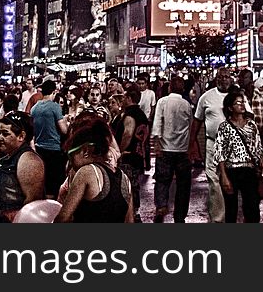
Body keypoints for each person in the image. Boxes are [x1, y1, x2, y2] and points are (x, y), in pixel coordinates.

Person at [56, 115, 132, 223]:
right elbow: (130, 221)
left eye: (71, 156)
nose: (71, 164)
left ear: (86, 150)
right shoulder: (125, 179)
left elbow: (63, 219)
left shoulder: (86, 172)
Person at [0, 111, 45, 222]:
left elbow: (32, 204)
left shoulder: (29, 160)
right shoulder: (10, 156)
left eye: (5, 133)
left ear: (21, 136)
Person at [190, 66, 233, 223]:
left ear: (231, 78)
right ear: (216, 79)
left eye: (226, 77)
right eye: (220, 77)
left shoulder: (237, 97)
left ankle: (230, 214)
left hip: (233, 146)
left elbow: (248, 119)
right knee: (214, 180)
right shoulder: (206, 97)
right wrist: (192, 144)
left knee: (231, 180)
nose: (223, 80)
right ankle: (217, 218)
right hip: (212, 143)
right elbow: (197, 121)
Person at [214, 89, 263, 223]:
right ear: (230, 108)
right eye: (238, 103)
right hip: (231, 171)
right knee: (231, 209)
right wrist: (224, 176)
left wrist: (261, 168)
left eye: (243, 102)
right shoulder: (224, 127)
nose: (242, 105)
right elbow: (220, 153)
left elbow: (258, 148)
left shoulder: (251, 125)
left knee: (252, 208)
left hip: (249, 170)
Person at [151, 76, 193, 223]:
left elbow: (157, 124)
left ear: (169, 88)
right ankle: (180, 214)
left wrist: (156, 144)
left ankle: (161, 206)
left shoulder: (162, 102)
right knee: (183, 184)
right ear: (182, 89)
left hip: (165, 147)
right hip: (182, 149)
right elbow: (190, 126)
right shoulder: (186, 104)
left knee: (162, 179)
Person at [110, 86, 149, 222]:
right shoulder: (141, 114)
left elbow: (127, 134)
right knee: (133, 185)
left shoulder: (130, 115)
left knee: (128, 186)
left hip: (129, 156)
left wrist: (119, 152)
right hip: (138, 155)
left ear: (129, 98)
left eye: (125, 97)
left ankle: (132, 214)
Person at [30, 78, 69, 197]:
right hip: (54, 150)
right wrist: (67, 122)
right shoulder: (55, 107)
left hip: (39, 149)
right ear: (54, 92)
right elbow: (64, 130)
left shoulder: (35, 108)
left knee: (44, 181)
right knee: (54, 184)